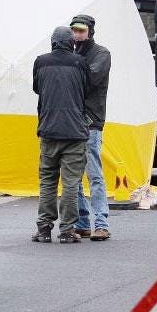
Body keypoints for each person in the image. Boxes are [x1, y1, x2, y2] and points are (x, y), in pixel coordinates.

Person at [32, 26, 90, 244]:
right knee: (71, 183)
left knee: (47, 181)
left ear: (53, 42)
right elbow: (86, 90)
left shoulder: (41, 61)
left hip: (48, 131)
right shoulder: (80, 63)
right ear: (71, 43)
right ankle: (67, 230)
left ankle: (44, 229)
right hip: (75, 133)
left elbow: (37, 88)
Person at [70, 15, 112, 241]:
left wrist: (68, 69)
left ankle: (102, 223)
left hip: (91, 122)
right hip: (72, 121)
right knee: (73, 177)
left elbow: (89, 79)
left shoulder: (101, 54)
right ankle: (83, 222)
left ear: (90, 32)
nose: (77, 34)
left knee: (94, 175)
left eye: (81, 30)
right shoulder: (72, 55)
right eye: (74, 30)